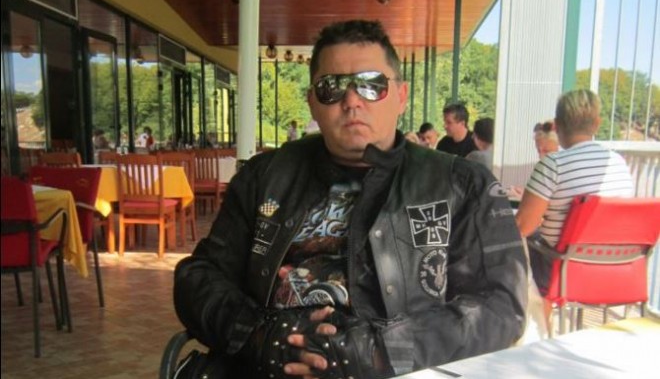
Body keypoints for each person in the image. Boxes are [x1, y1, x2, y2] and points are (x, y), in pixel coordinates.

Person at [174, 20, 527, 378]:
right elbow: (198, 276)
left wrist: (380, 351)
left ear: (401, 96)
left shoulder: (462, 185)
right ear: (312, 103)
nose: (352, 100)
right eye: (332, 87)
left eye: (372, 84)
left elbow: (502, 306)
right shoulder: (262, 178)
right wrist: (259, 335)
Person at [516, 89, 634, 298]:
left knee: (516, 239)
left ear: (557, 125)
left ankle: (535, 312)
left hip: (563, 269)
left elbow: (523, 226)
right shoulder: (619, 163)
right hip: (616, 267)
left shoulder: (553, 164)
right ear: (597, 124)